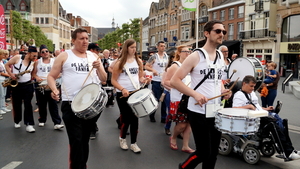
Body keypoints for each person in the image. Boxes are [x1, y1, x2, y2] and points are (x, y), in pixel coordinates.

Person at [171, 20, 231, 169]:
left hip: (215, 111)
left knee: (213, 154)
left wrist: (223, 91)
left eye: (223, 32)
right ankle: (183, 167)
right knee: (204, 152)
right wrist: (195, 94)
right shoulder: (196, 56)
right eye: (218, 31)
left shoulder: (220, 57)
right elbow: (174, 81)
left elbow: (218, 80)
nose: (221, 34)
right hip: (198, 111)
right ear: (206, 33)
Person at [47, 28, 107, 169]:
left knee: (84, 140)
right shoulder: (64, 56)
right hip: (71, 104)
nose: (85, 41)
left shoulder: (93, 56)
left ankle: (82, 166)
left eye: (87, 38)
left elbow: (104, 79)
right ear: (73, 40)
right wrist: (55, 89)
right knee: (76, 141)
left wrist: (99, 68)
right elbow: (51, 76)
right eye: (81, 38)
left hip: (90, 105)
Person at [232, 75, 300, 160]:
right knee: (274, 125)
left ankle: (290, 149)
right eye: (251, 86)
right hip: (252, 120)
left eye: (254, 86)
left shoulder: (252, 93)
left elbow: (256, 106)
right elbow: (234, 109)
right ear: (244, 84)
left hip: (260, 115)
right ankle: (288, 152)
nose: (253, 88)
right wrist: (248, 106)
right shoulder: (238, 95)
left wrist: (265, 108)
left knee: (282, 123)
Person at [111, 39, 150, 153]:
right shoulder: (119, 63)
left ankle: (134, 143)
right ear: (126, 48)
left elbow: (140, 77)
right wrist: (122, 89)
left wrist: (144, 80)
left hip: (135, 92)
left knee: (135, 119)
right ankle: (122, 139)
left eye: (135, 47)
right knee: (126, 119)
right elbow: (113, 80)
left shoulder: (138, 61)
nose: (134, 49)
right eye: (132, 47)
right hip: (123, 95)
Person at [163, 46, 195, 153]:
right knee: (181, 124)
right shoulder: (175, 66)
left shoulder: (192, 66)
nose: (188, 54)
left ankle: (185, 145)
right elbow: (166, 81)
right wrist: (179, 86)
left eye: (189, 52)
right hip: (178, 98)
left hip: (190, 98)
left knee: (189, 124)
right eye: (185, 52)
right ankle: (173, 137)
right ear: (179, 53)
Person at [5, 46, 38, 133]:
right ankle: (17, 121)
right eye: (34, 55)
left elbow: (33, 73)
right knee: (17, 104)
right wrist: (11, 74)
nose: (35, 58)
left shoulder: (33, 62)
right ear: (29, 53)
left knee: (28, 105)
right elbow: (6, 65)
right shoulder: (17, 57)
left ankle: (29, 124)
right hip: (16, 85)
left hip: (28, 85)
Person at [32, 45, 64, 130]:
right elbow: (34, 73)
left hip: (51, 84)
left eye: (46, 51)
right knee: (41, 103)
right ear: (40, 54)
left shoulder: (54, 61)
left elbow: (60, 72)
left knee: (53, 104)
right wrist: (37, 77)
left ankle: (57, 123)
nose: (45, 53)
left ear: (49, 52)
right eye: (43, 52)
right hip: (40, 84)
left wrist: (55, 76)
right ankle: (42, 120)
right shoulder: (37, 62)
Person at [144, 41, 169, 122]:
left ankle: (163, 118)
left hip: (165, 81)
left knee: (165, 100)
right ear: (157, 47)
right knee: (156, 99)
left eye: (164, 46)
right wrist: (153, 70)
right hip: (156, 81)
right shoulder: (154, 57)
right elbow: (146, 66)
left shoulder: (167, 56)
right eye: (161, 46)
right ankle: (152, 114)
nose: (163, 47)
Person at [87, 42, 102, 140]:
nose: (98, 52)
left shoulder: (98, 59)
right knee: (90, 109)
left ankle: (92, 124)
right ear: (91, 50)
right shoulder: (86, 60)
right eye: (97, 50)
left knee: (99, 107)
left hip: (97, 86)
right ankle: (92, 128)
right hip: (88, 88)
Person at [161, 51, 175, 135]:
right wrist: (172, 88)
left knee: (179, 112)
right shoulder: (168, 69)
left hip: (180, 93)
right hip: (169, 92)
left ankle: (179, 130)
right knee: (170, 111)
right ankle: (167, 127)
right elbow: (163, 82)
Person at [0, 49, 11, 115]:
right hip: (1, 79)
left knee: (3, 94)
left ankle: (3, 107)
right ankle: (0, 108)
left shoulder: (2, 62)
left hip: (4, 79)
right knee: (1, 94)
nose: (4, 56)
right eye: (3, 54)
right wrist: (9, 75)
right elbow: (0, 73)